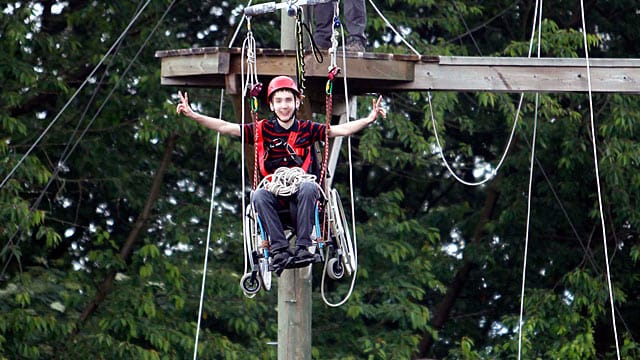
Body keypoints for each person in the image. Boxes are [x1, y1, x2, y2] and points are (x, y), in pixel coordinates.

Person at [176, 76, 385, 273]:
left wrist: (369, 119)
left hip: (301, 198)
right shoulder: (262, 130)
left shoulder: (307, 129)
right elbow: (225, 127)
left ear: (296, 103)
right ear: (272, 105)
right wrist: (194, 115)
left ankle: (303, 247)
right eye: (279, 101)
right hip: (275, 199)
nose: (284, 105)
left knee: (309, 186)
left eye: (288, 100)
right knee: (258, 195)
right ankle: (279, 250)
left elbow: (339, 130)